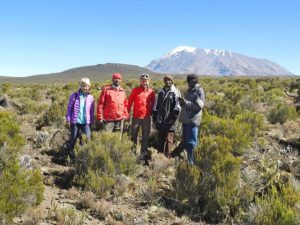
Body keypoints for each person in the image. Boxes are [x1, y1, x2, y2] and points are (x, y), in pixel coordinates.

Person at [171, 74, 205, 164]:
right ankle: (180, 156)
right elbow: (189, 105)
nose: (188, 84)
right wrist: (182, 103)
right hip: (186, 120)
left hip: (192, 121)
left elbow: (198, 106)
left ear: (194, 81)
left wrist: (185, 102)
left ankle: (191, 163)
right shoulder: (190, 90)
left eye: (189, 82)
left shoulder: (199, 91)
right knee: (186, 141)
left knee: (191, 143)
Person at [127, 73, 155, 163]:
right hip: (136, 117)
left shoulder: (151, 92)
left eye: (146, 80)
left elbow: (154, 104)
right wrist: (127, 114)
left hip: (146, 117)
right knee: (134, 136)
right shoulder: (135, 90)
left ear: (148, 81)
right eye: (142, 80)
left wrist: (151, 113)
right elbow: (129, 102)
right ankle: (133, 153)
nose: (144, 81)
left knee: (145, 136)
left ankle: (143, 154)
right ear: (140, 81)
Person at [66, 78, 95, 160]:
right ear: (80, 86)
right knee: (73, 139)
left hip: (85, 122)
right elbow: (69, 108)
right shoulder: (74, 95)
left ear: (89, 86)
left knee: (87, 138)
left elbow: (92, 111)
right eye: (83, 85)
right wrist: (68, 120)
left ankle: (85, 156)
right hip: (75, 121)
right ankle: (71, 156)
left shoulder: (91, 97)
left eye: (86, 86)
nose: (84, 87)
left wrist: (92, 122)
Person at [152, 75, 181, 157]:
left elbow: (177, 106)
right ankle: (159, 157)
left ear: (172, 81)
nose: (168, 81)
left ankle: (167, 158)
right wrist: (155, 117)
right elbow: (156, 105)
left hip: (170, 121)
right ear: (164, 81)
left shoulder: (175, 92)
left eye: (169, 80)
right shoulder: (161, 92)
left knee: (169, 140)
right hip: (161, 121)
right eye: (166, 80)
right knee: (160, 140)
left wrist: (173, 119)